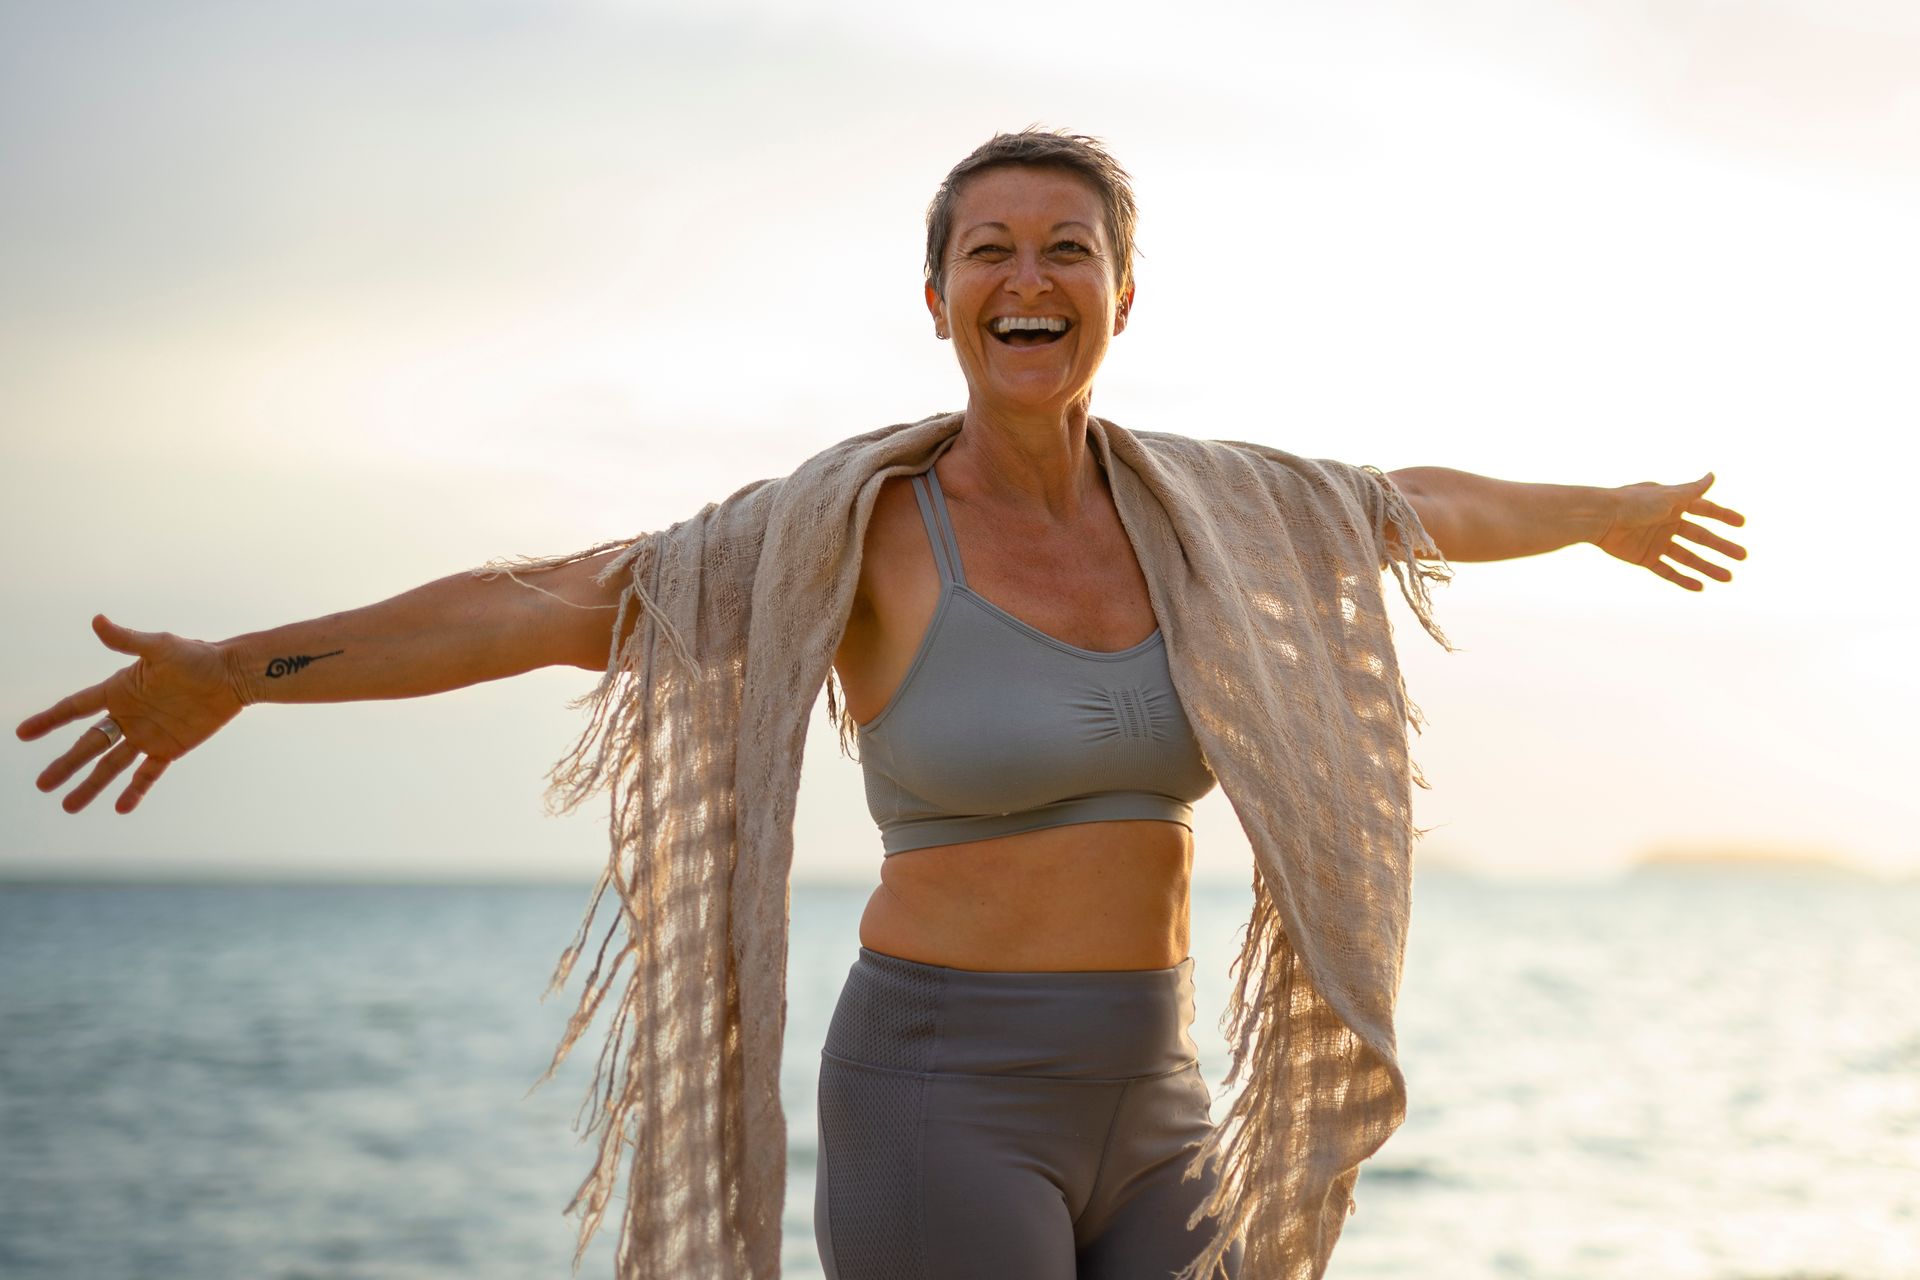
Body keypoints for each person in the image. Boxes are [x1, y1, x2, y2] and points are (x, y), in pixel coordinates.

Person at [16, 130, 1747, 1280]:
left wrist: (1597, 513)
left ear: (1120, 298)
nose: (1029, 276)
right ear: (939, 302)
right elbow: (537, 608)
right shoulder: (847, 537)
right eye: (989, 251)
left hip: (1157, 1096)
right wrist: (244, 670)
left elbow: (1409, 503)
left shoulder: (1220, 515)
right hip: (943, 1091)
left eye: (1068, 249)